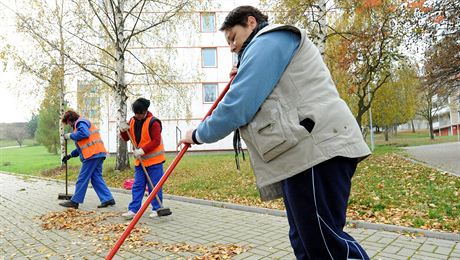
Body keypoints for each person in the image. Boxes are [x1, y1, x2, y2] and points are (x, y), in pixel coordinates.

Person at [177, 5, 371, 260]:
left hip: (316, 150)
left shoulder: (270, 39)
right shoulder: (263, 50)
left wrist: (199, 134)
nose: (232, 47)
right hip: (302, 155)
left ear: (251, 22)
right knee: (304, 241)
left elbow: (239, 106)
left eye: (233, 38)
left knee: (324, 244)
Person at [119, 97, 168, 220]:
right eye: (136, 113)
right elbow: (126, 138)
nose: (138, 116)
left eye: (140, 113)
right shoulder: (132, 120)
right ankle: (134, 209)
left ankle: (157, 208)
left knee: (154, 186)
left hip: (155, 161)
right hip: (140, 162)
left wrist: (142, 150)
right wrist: (123, 130)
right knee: (138, 185)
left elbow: (156, 141)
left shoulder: (154, 122)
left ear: (145, 110)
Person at [60, 110, 115, 209]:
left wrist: (70, 136)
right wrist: (70, 155)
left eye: (67, 122)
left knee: (82, 178)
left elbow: (85, 134)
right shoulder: (81, 124)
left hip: (92, 155)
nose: (68, 124)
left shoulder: (80, 123)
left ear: (70, 119)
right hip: (98, 153)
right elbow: (82, 146)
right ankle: (108, 199)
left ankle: (75, 201)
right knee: (96, 178)